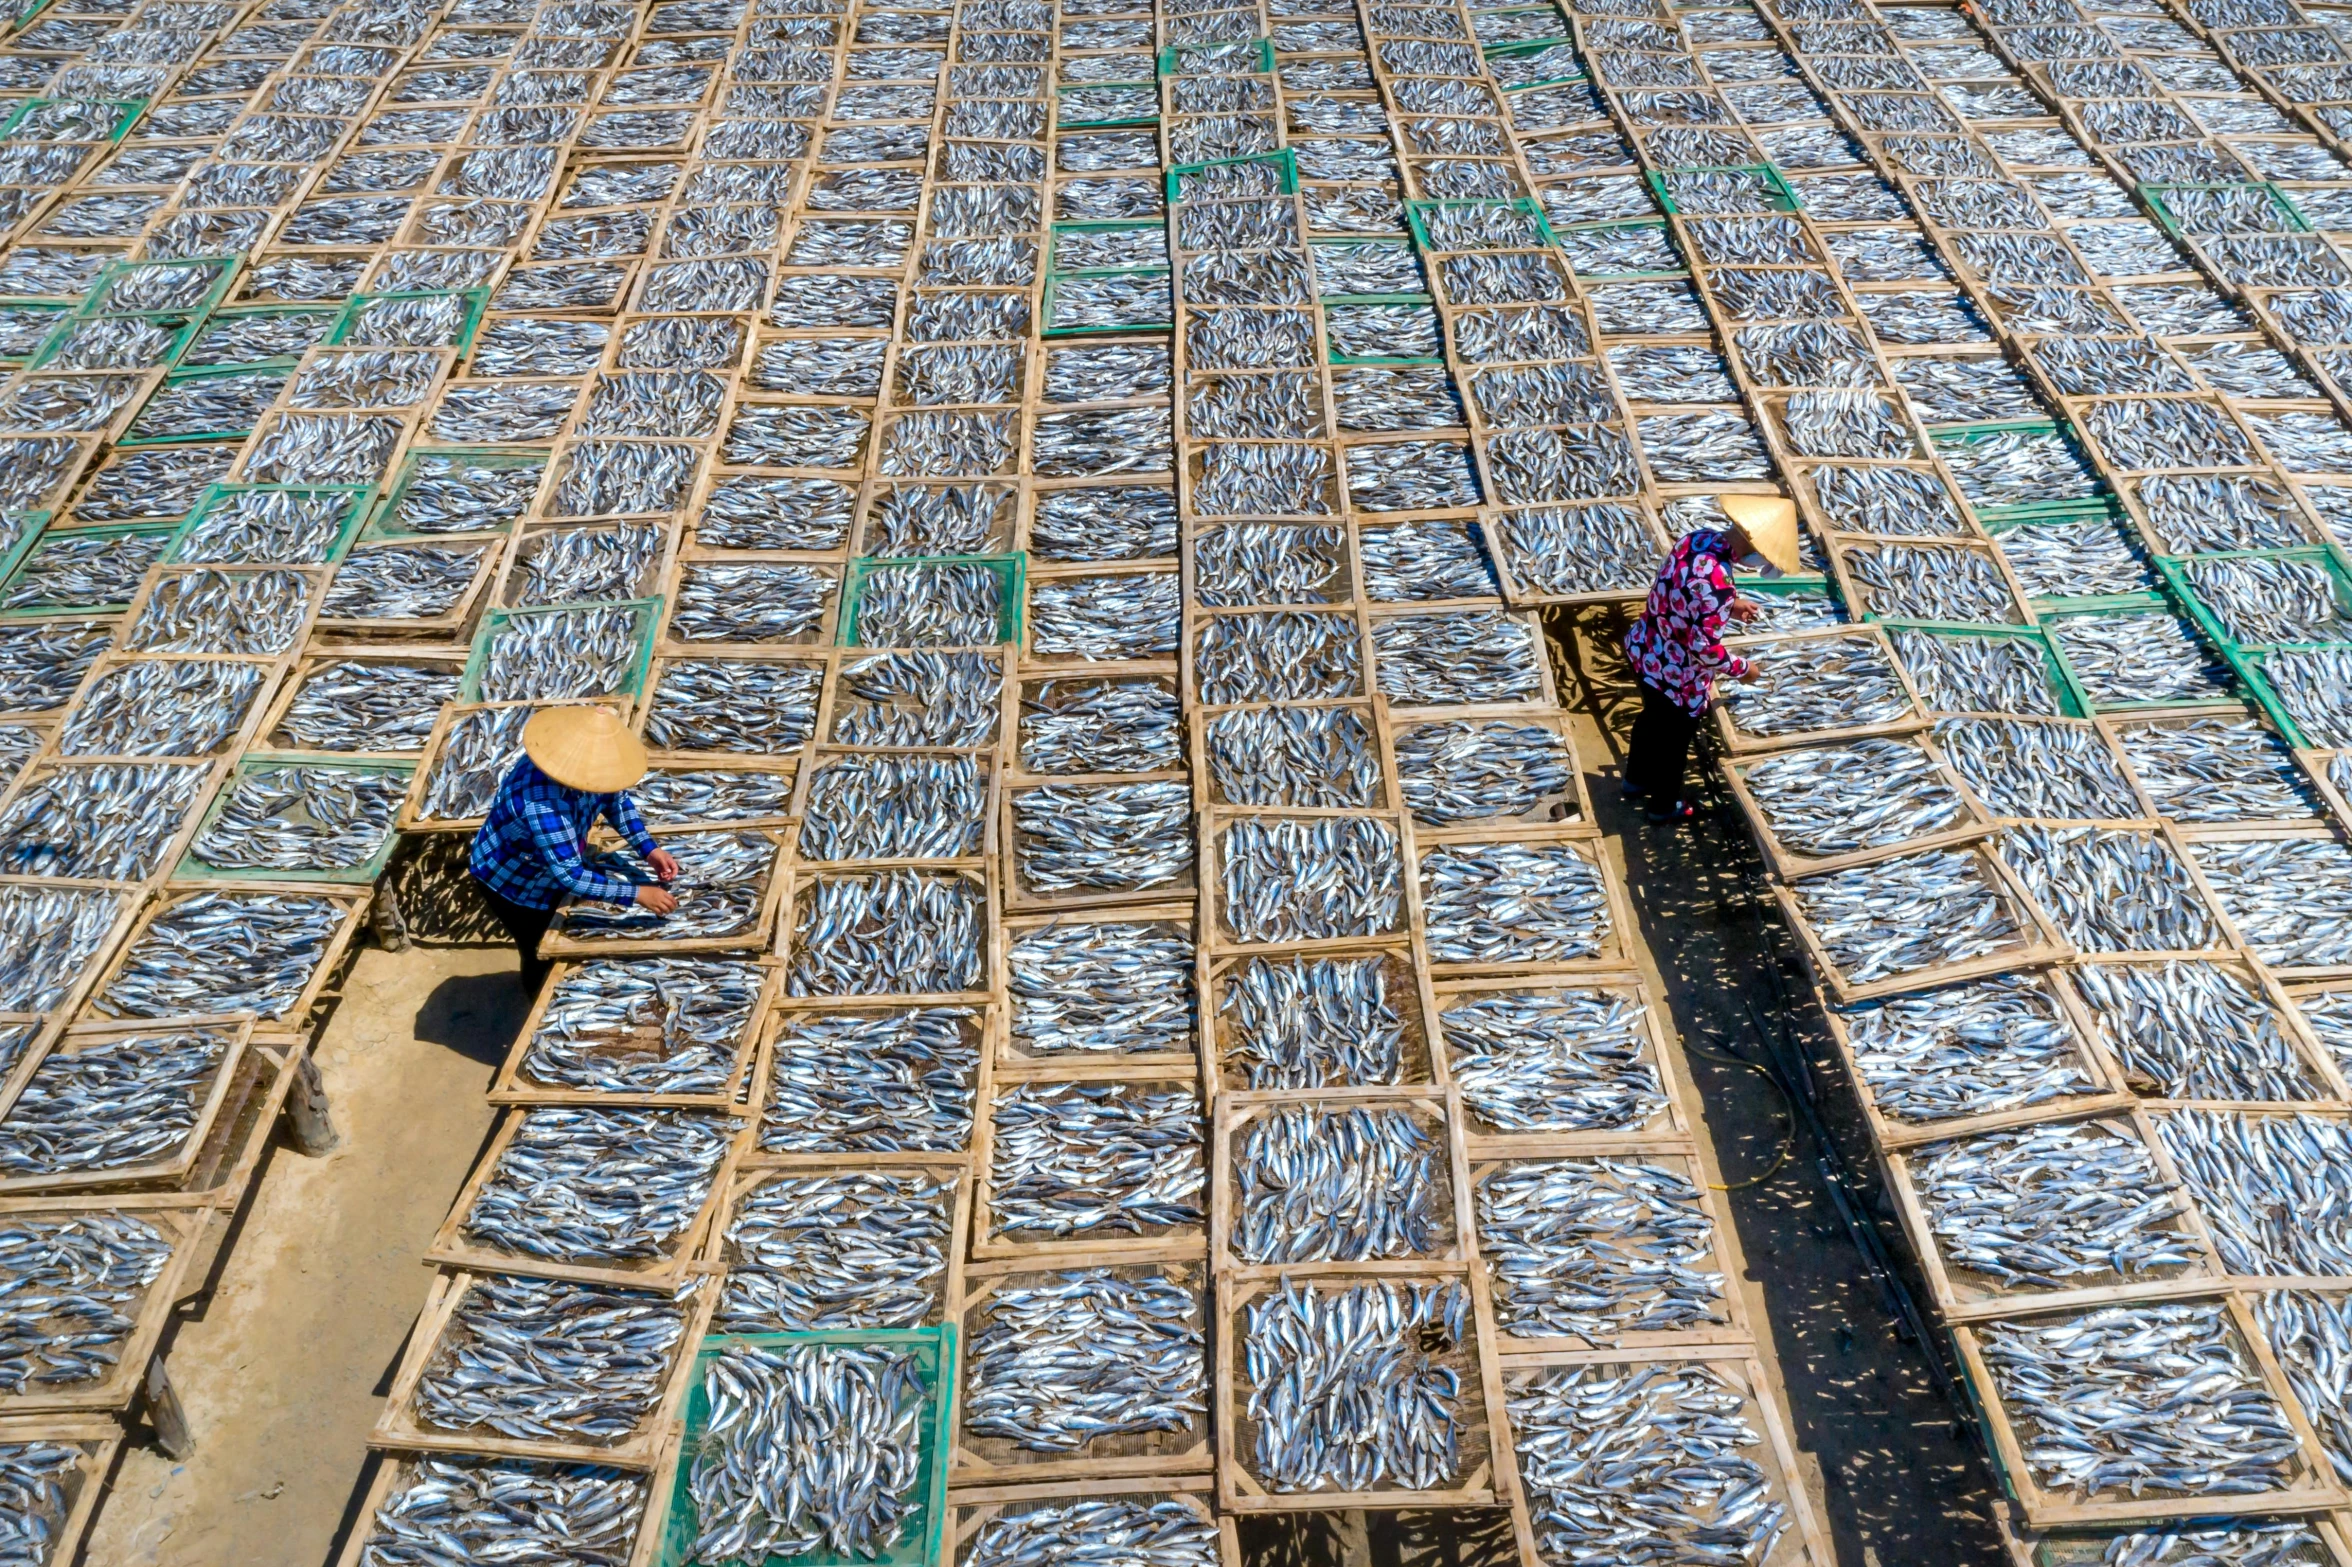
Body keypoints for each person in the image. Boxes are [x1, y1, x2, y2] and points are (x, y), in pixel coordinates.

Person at [469, 706, 680, 989]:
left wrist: (649, 850)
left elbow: (614, 802)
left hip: (550, 863)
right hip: (513, 881)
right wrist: (637, 893)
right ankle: (536, 999)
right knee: (537, 949)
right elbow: (570, 875)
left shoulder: (593, 771)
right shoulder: (543, 803)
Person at [1622, 495, 1802, 825]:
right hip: (1675, 678)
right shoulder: (1717, 584)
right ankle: (1662, 807)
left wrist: (1731, 604)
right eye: (1763, 558)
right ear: (1754, 547)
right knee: (1673, 746)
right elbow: (1704, 650)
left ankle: (1634, 781)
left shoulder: (1698, 538)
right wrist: (1744, 669)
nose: (1760, 563)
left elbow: (1682, 587)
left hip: (1644, 649)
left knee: (1649, 721)